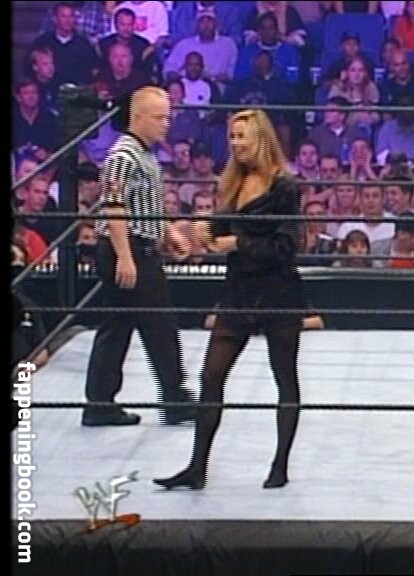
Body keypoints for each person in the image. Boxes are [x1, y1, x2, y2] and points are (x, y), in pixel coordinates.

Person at [154, 109, 306, 490]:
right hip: (238, 291)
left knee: (284, 377)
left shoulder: (284, 185)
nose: (236, 144)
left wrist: (237, 243)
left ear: (260, 139)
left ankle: (280, 465)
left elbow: (286, 246)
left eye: (242, 136)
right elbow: (219, 230)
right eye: (232, 137)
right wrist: (198, 234)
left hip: (277, 292)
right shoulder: (233, 182)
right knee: (211, 375)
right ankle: (197, 467)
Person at [82, 86, 196, 427]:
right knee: (158, 324)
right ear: (138, 117)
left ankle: (100, 404)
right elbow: (114, 206)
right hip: (127, 247)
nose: (166, 124)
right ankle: (175, 399)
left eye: (167, 117)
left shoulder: (144, 154)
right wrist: (125, 256)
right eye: (159, 118)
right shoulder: (123, 156)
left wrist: (169, 232)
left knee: (118, 327)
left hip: (137, 246)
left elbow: (146, 204)